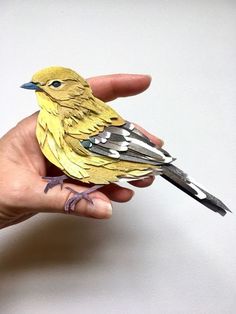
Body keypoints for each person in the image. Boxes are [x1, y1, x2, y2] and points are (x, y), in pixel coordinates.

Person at [0, 74, 163, 229]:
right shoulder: (47, 119)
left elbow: (108, 158)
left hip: (120, 159)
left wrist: (81, 195)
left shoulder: (73, 124)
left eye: (55, 84)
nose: (38, 88)